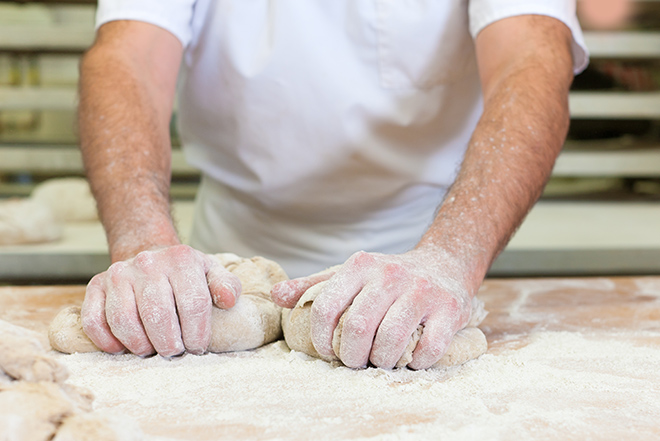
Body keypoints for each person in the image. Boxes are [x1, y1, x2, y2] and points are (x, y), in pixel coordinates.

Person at [78, 1, 588, 369]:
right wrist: (144, 243)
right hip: (219, 279)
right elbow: (128, 59)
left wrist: (451, 259)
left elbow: (531, 61)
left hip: (424, 264)